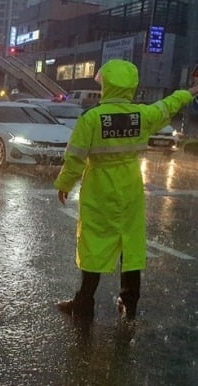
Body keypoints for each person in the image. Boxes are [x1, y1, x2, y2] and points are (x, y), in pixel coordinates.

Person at [54, 59, 198, 322]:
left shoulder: (92, 118)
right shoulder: (141, 116)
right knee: (130, 245)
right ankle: (129, 303)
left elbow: (75, 158)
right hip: (130, 187)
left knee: (93, 244)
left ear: (107, 84)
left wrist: (64, 184)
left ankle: (84, 302)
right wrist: (191, 90)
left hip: (99, 187)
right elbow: (168, 105)